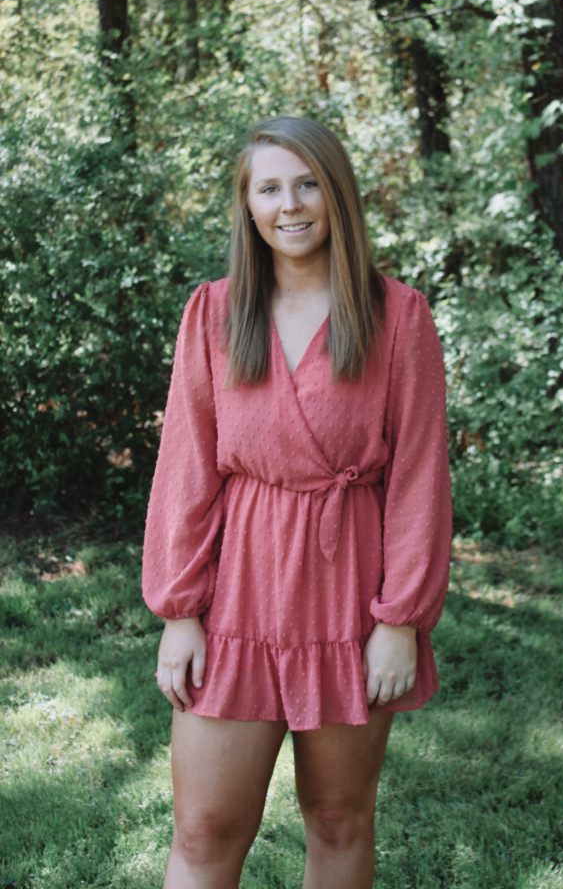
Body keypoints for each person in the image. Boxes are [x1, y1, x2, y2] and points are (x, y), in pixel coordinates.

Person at [142, 116, 452, 889]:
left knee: (339, 818)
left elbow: (418, 476)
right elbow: (185, 468)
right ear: (247, 205)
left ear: (337, 194)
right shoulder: (213, 313)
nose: (290, 205)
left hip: (350, 594)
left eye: (308, 184)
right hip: (238, 590)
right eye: (270, 188)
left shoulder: (397, 316)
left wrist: (399, 621)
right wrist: (179, 611)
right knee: (204, 827)